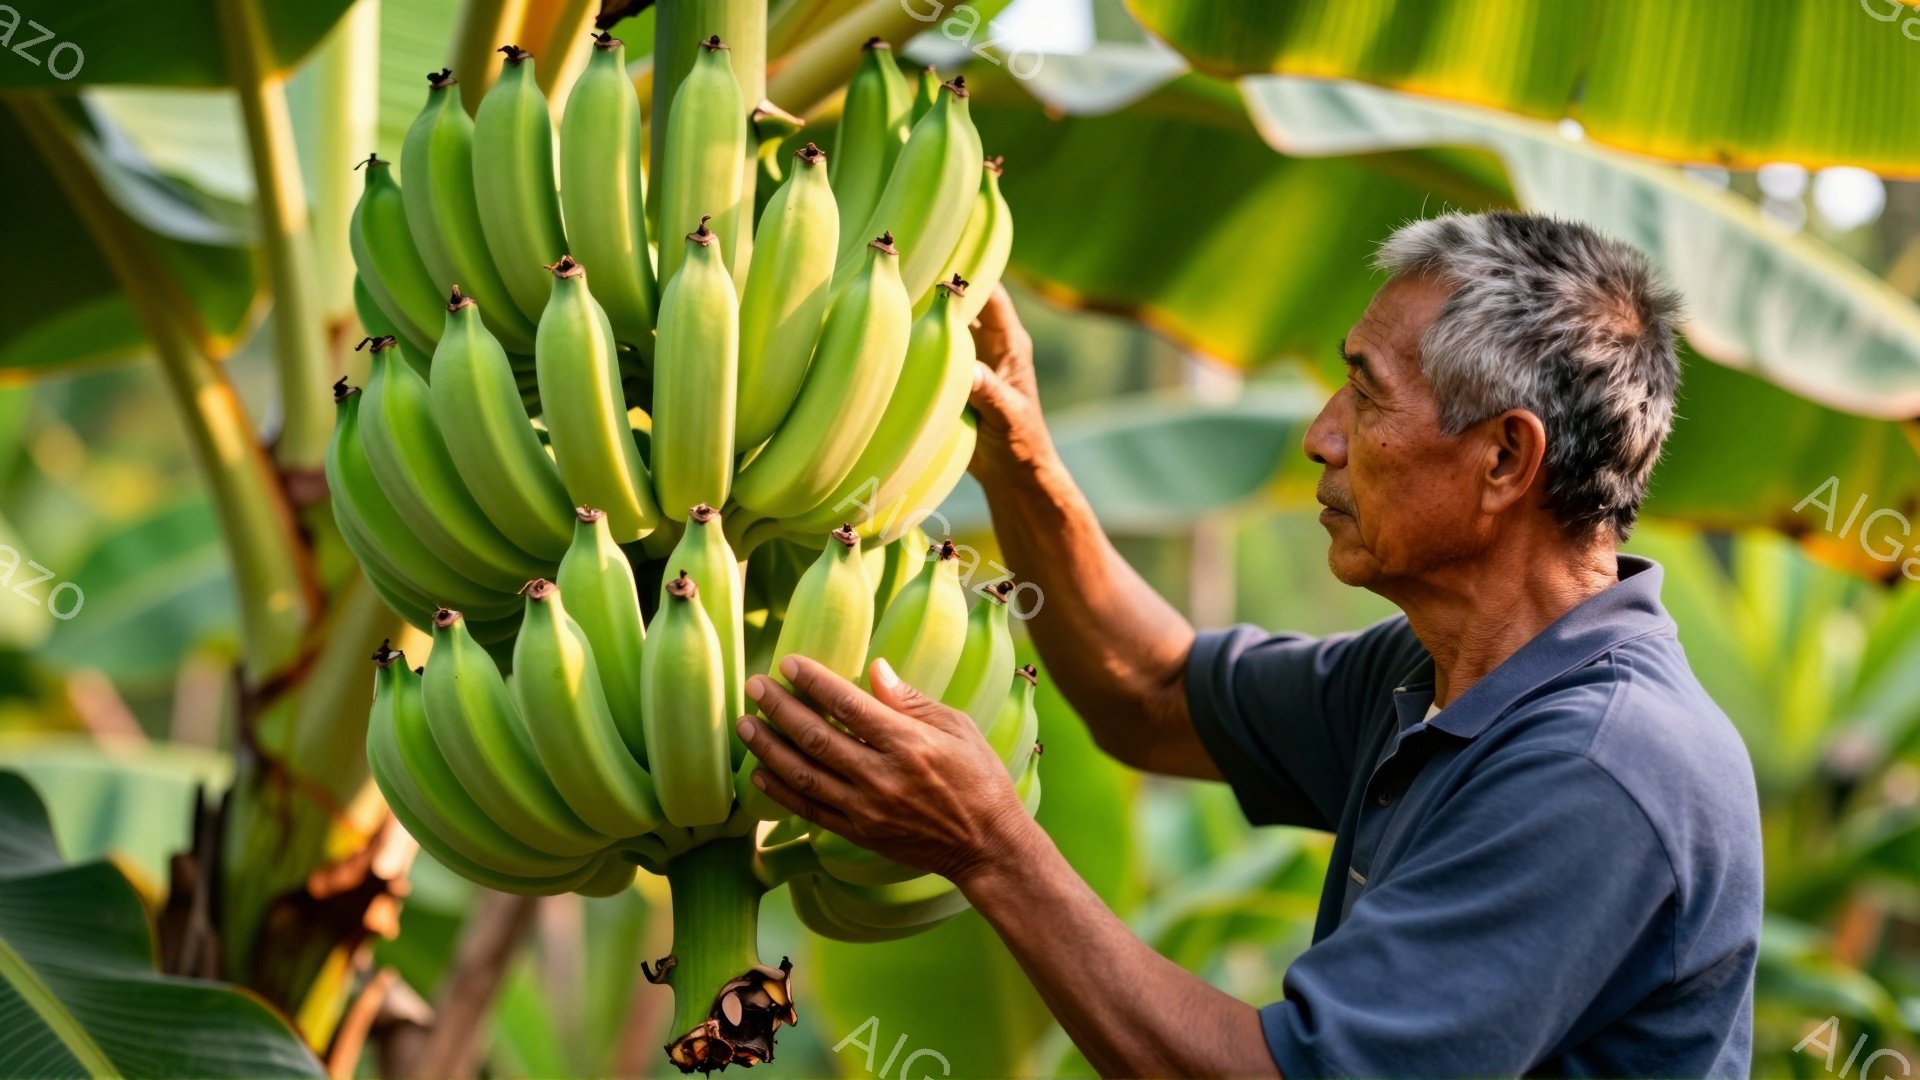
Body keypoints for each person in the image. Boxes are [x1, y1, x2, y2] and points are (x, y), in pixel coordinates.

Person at [733, 211, 1764, 1078]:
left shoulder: (1600, 772)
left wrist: (988, 846)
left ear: (1504, 458)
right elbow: (1152, 692)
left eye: (1366, 395)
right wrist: (1020, 457)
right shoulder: (1432, 673)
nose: (1321, 435)